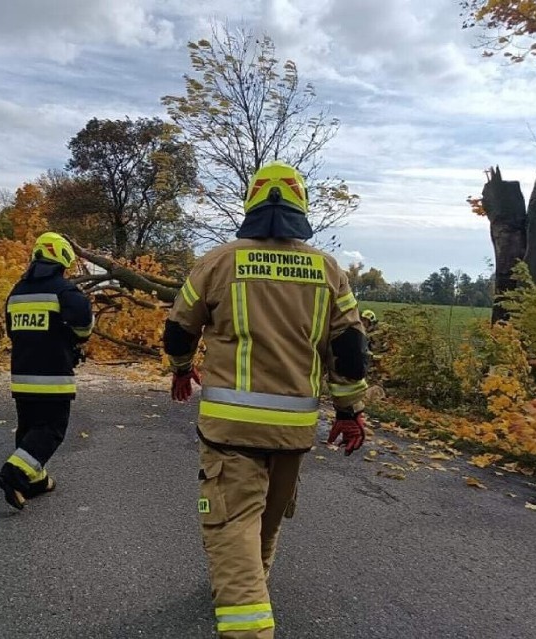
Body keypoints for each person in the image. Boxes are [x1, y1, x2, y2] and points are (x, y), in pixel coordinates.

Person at [163, 161, 369, 638]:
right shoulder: (327, 270)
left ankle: (247, 623)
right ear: (301, 205)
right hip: (292, 430)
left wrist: (180, 370)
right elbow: (351, 351)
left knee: (233, 521)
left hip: (230, 429)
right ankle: (248, 585)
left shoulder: (219, 262)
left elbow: (178, 330)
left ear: (251, 203)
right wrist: (348, 412)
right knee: (267, 519)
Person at [0, 232, 94, 510]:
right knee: (50, 430)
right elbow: (84, 328)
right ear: (63, 258)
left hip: (22, 377)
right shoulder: (65, 291)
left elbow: (11, 331)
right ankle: (14, 474)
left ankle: (36, 481)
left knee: (29, 429)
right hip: (53, 378)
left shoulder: (16, 292)